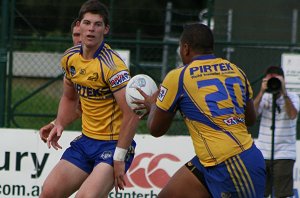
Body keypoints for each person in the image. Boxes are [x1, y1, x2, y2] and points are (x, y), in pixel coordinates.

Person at [135, 23, 266, 197]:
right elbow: (250, 119)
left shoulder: (178, 76)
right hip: (211, 162)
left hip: (234, 164)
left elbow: (155, 129)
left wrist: (153, 105)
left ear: (186, 48)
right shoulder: (236, 70)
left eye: (180, 48)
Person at [39, 0, 140, 197]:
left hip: (113, 145)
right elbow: (69, 98)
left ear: (106, 29)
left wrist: (119, 157)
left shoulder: (112, 65)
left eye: (97, 24)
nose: (91, 29)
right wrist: (59, 122)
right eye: (87, 23)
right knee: (48, 192)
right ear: (79, 25)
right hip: (86, 142)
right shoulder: (70, 58)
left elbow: (132, 113)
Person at [254, 66, 299, 198]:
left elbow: (292, 114)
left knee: (282, 195)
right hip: (263, 152)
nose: (274, 83)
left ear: (284, 81)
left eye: (277, 80)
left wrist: (284, 93)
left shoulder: (292, 96)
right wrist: (261, 92)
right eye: (270, 80)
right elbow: (253, 115)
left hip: (284, 153)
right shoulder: (264, 97)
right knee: (259, 193)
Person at [39, 18, 82, 142]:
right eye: (76, 35)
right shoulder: (72, 62)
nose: (79, 39)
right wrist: (56, 124)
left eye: (82, 34)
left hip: (112, 139)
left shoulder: (107, 65)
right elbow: (79, 109)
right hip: (90, 138)